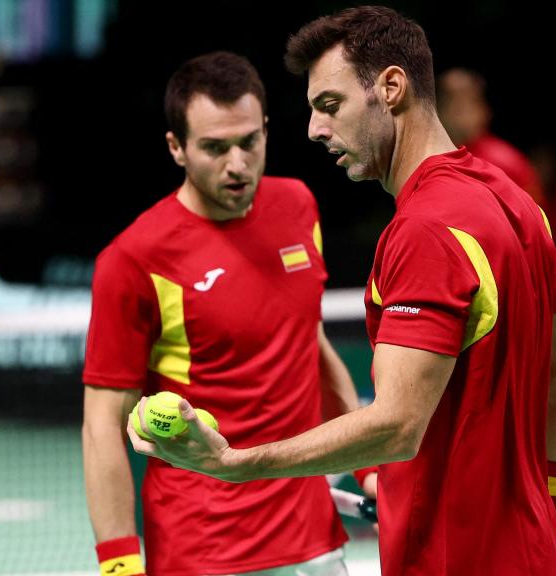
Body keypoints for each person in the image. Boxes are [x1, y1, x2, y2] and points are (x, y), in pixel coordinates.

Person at [129, 8, 556, 576]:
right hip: (534, 552)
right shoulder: (516, 203)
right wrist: (552, 507)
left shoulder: (425, 231)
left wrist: (236, 462)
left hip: (448, 560)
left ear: (391, 89)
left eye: (330, 105)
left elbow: (396, 427)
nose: (316, 129)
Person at [82, 51, 359, 576]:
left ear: (267, 131)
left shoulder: (298, 206)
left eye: (249, 141)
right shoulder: (135, 258)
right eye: (214, 147)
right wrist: (119, 561)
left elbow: (311, 345)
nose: (237, 164)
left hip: (313, 539)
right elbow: (102, 424)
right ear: (176, 148)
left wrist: (368, 470)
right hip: (203, 549)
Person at [436, 67, 545, 205]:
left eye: (465, 104)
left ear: (484, 110)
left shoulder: (509, 164)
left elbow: (535, 219)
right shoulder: (430, 157)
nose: (456, 113)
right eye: (449, 103)